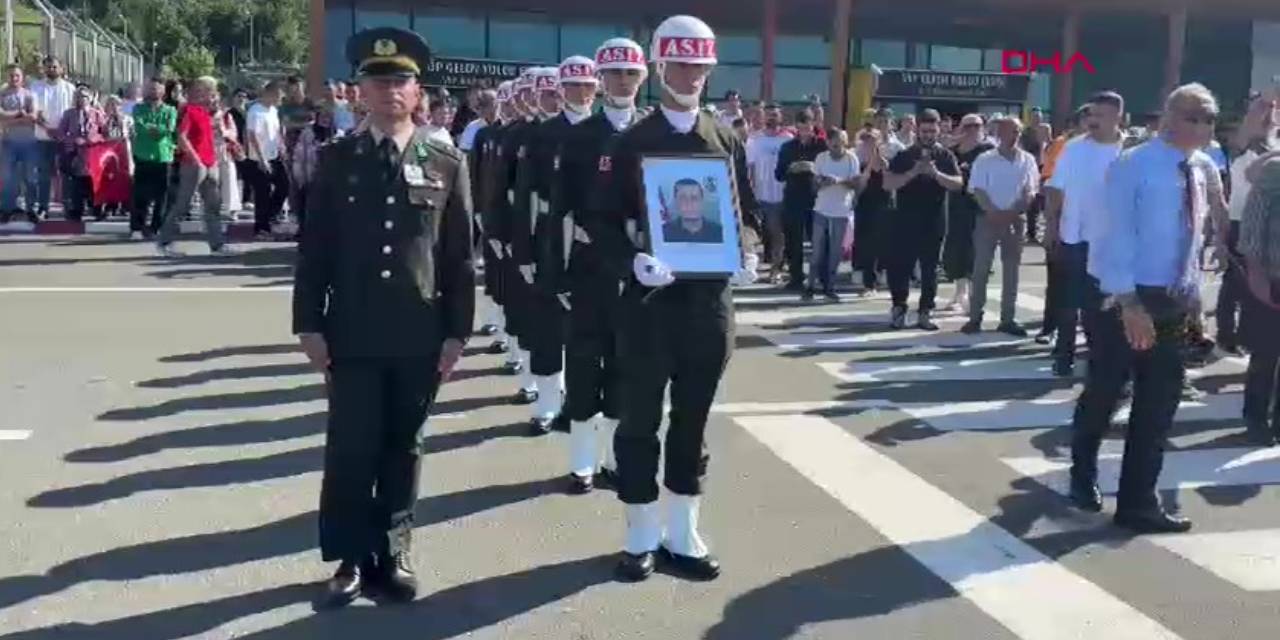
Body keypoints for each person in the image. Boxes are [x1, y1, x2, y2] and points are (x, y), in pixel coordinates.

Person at [293, 26, 472, 607]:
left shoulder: (446, 162)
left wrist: (457, 333)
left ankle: (393, 550)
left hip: (419, 333)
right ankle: (348, 556)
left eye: (401, 82)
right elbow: (315, 247)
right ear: (360, 92)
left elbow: (457, 257)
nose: (390, 91)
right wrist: (309, 324)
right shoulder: (337, 159)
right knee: (351, 445)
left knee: (404, 445)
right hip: (352, 329)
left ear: (418, 93)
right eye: (378, 81)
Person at [595, 14, 758, 583]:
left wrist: (750, 250)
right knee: (640, 420)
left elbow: (745, 213)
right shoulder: (632, 141)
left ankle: (682, 531)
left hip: (709, 307)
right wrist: (632, 261)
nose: (691, 75)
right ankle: (640, 532)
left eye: (700, 66)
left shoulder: (726, 136)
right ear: (661, 68)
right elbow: (601, 221)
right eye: (681, 65)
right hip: (649, 307)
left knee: (693, 421)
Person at [1070, 83, 1226, 534]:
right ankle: (1083, 471)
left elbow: (1190, 236)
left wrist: (1193, 292)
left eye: (1209, 119)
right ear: (1168, 117)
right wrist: (1128, 302)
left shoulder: (1200, 168)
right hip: (1122, 297)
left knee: (1159, 404)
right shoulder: (1133, 165)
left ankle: (1138, 503)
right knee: (1106, 389)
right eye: (1193, 116)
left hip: (1171, 300)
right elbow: (1112, 236)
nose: (1201, 127)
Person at [546, 37, 647, 494]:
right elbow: (558, 211)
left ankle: (610, 459)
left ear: (643, 78)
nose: (622, 82)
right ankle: (582, 463)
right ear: (600, 80)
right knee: (586, 365)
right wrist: (556, 273)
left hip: (642, 271)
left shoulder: (653, 130)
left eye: (630, 73)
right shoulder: (579, 136)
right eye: (613, 74)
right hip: (590, 266)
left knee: (628, 368)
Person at [1043, 92, 1127, 377]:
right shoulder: (1074, 148)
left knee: (1102, 307)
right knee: (1069, 302)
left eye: (1100, 115)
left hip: (1111, 241)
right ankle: (1063, 355)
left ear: (1118, 117)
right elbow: (1055, 189)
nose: (1093, 121)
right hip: (1073, 236)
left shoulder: (1129, 151)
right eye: (1090, 114)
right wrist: (1051, 227)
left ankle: (1098, 358)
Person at [512, 65, 571, 433]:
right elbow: (521, 198)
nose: (554, 99)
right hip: (547, 234)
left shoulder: (594, 132)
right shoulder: (533, 136)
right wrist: (522, 248)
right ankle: (547, 405)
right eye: (547, 93)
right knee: (547, 327)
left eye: (556, 92)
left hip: (589, 240)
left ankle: (576, 405)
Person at [883, 108, 963, 330]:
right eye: (924, 130)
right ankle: (899, 308)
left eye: (932, 130)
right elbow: (887, 183)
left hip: (935, 220)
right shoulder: (905, 155)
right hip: (905, 220)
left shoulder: (945, 156)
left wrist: (936, 174)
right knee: (901, 266)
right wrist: (913, 172)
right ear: (917, 129)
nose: (928, 135)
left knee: (930, 268)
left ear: (938, 129)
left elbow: (958, 184)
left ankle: (925, 311)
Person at [962, 115, 1039, 336]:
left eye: (1016, 132)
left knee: (1012, 271)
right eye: (1008, 131)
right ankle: (975, 318)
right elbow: (977, 190)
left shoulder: (1028, 160)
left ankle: (1008, 319)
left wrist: (1014, 212)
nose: (1013, 136)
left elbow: (1030, 190)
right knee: (981, 269)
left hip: (1015, 220)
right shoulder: (985, 159)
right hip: (988, 219)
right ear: (998, 133)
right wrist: (994, 212)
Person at [493, 69, 543, 406]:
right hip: (520, 231)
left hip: (559, 236)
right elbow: (498, 189)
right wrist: (498, 229)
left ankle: (553, 386)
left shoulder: (564, 134)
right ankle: (529, 374)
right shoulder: (509, 136)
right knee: (521, 305)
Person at [1219, 94, 1276, 354]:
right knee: (1237, 284)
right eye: (1264, 113)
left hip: (1268, 224)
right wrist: (1263, 103)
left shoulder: (1273, 145)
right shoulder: (1241, 146)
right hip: (1241, 221)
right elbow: (1252, 123)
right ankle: (1226, 335)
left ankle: (1248, 336)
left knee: (1259, 288)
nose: (1269, 117)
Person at [1240, 121, 1280, 446]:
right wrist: (1257, 275)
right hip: (1273, 277)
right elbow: (1252, 227)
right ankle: (1255, 417)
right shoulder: (1274, 171)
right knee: (1266, 353)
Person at [156, 77, 229, 256]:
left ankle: (217, 245)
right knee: (182, 204)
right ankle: (164, 243)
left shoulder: (206, 112)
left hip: (210, 162)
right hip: (193, 165)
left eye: (212, 92)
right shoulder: (189, 110)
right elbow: (182, 137)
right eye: (208, 91)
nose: (211, 95)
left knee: (213, 205)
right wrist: (196, 160)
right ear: (199, 91)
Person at [943, 113, 996, 313]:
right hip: (957, 207)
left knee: (978, 252)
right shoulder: (952, 152)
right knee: (957, 250)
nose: (972, 130)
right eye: (967, 126)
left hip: (981, 207)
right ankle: (960, 293)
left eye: (976, 126)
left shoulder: (988, 151)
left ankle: (976, 296)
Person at [808, 127, 864, 301]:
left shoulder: (851, 158)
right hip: (821, 209)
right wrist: (822, 182)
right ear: (828, 144)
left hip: (841, 210)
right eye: (834, 145)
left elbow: (857, 183)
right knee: (817, 251)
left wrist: (839, 181)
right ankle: (810, 286)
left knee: (835, 252)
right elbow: (813, 185)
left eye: (841, 144)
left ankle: (829, 287)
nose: (838, 148)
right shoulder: (821, 158)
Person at [775, 110, 826, 292]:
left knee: (818, 240)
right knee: (793, 240)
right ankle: (796, 277)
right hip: (793, 198)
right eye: (801, 126)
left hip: (816, 199)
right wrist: (791, 168)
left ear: (813, 126)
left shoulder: (822, 146)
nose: (805, 130)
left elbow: (830, 170)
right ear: (796, 126)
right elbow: (779, 175)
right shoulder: (787, 147)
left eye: (808, 126)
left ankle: (820, 277)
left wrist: (813, 168)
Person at [745, 104, 791, 282]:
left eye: (775, 115)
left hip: (780, 195)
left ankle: (775, 269)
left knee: (776, 232)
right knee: (758, 234)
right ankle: (751, 267)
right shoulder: (755, 140)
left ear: (780, 118)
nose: (772, 118)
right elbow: (749, 168)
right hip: (760, 194)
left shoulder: (787, 140)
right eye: (769, 115)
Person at [128, 77, 177, 239]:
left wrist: (155, 129)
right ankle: (137, 227)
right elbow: (139, 125)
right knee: (140, 194)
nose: (153, 91)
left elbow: (169, 129)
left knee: (162, 196)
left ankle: (157, 227)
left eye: (157, 88)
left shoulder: (170, 110)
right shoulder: (138, 108)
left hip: (163, 157)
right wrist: (156, 129)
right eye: (151, 88)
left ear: (163, 91)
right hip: (142, 154)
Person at [30, 56, 76, 220]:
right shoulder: (36, 87)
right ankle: (43, 207)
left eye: (55, 67)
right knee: (44, 174)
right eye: (48, 67)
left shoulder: (70, 89)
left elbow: (73, 114)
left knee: (66, 173)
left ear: (61, 69)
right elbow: (34, 112)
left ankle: (68, 207)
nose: (52, 70)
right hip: (43, 137)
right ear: (44, 69)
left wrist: (61, 132)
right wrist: (47, 128)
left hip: (65, 139)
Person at [246, 80, 290, 239]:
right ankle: (261, 228)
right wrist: (261, 158)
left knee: (284, 186)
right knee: (262, 193)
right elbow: (252, 136)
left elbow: (277, 131)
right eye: (279, 95)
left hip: (274, 156)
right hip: (259, 158)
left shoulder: (273, 111)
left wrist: (281, 146)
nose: (281, 98)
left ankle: (270, 215)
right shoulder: (256, 111)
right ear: (270, 93)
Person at [56, 84, 106, 222]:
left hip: (93, 153)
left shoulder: (97, 114)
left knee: (93, 182)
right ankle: (76, 210)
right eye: (79, 96)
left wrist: (93, 139)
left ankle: (96, 209)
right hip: (75, 153)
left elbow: (104, 133)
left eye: (84, 96)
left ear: (90, 98)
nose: (82, 99)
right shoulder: (69, 114)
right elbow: (60, 133)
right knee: (76, 183)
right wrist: (72, 140)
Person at [0, 64, 39, 224]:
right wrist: (19, 114)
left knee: (30, 177)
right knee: (8, 178)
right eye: (11, 76)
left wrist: (11, 120)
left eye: (17, 75)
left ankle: (32, 209)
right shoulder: (2, 95)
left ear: (22, 78)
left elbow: (33, 116)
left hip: (28, 143)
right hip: (8, 142)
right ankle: (7, 209)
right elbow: (1, 116)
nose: (14, 78)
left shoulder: (30, 95)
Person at [661, 178, 724, 243]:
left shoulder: (720, 233)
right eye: (683, 198)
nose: (689, 203)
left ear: (702, 201)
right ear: (676, 201)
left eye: (694, 198)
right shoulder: (663, 233)